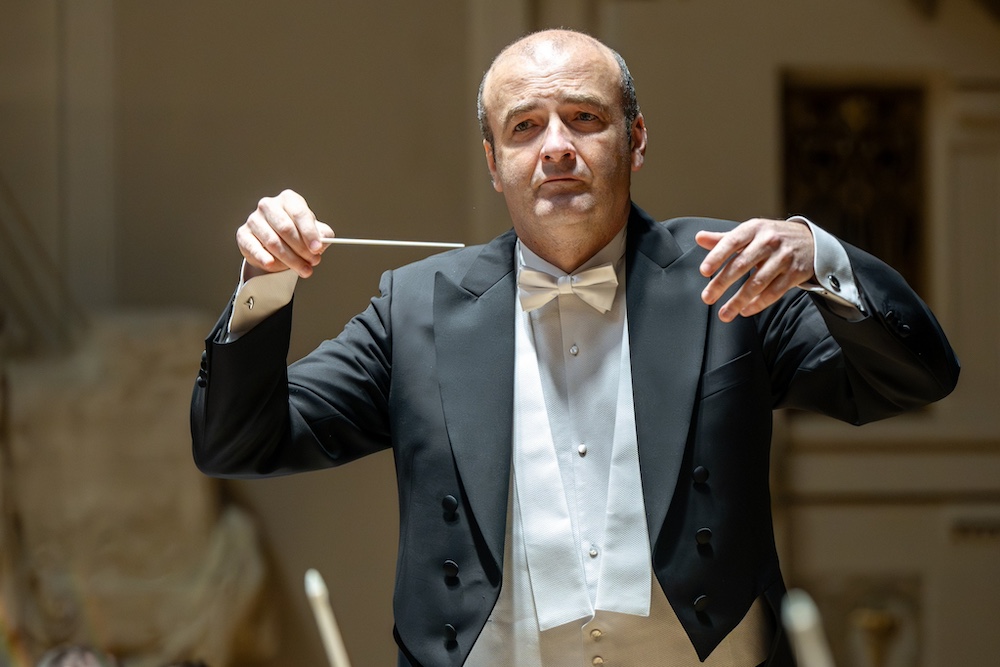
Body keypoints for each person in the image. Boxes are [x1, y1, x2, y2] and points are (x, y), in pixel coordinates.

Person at [190, 29, 959, 667]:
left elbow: (915, 377)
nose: (556, 146)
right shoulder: (415, 306)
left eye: (584, 117)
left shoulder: (727, 273)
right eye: (524, 126)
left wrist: (822, 258)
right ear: (493, 162)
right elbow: (237, 440)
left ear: (636, 138)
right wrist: (266, 284)